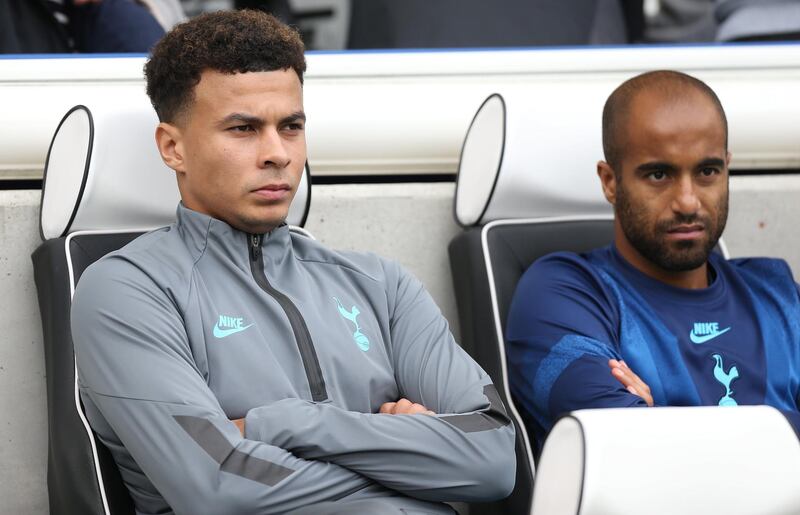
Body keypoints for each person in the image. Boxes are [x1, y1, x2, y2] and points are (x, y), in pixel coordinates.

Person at [70, 10, 515, 515]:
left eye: (291, 126)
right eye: (243, 128)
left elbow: (495, 458)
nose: (277, 153)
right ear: (173, 148)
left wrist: (275, 425)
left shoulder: (382, 284)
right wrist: (411, 452)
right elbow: (217, 488)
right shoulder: (127, 291)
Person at [506, 70, 800, 453]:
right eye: (659, 174)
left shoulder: (775, 291)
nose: (688, 201)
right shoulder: (564, 292)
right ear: (610, 181)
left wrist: (660, 418)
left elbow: (655, 439)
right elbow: (628, 448)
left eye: (707, 171)